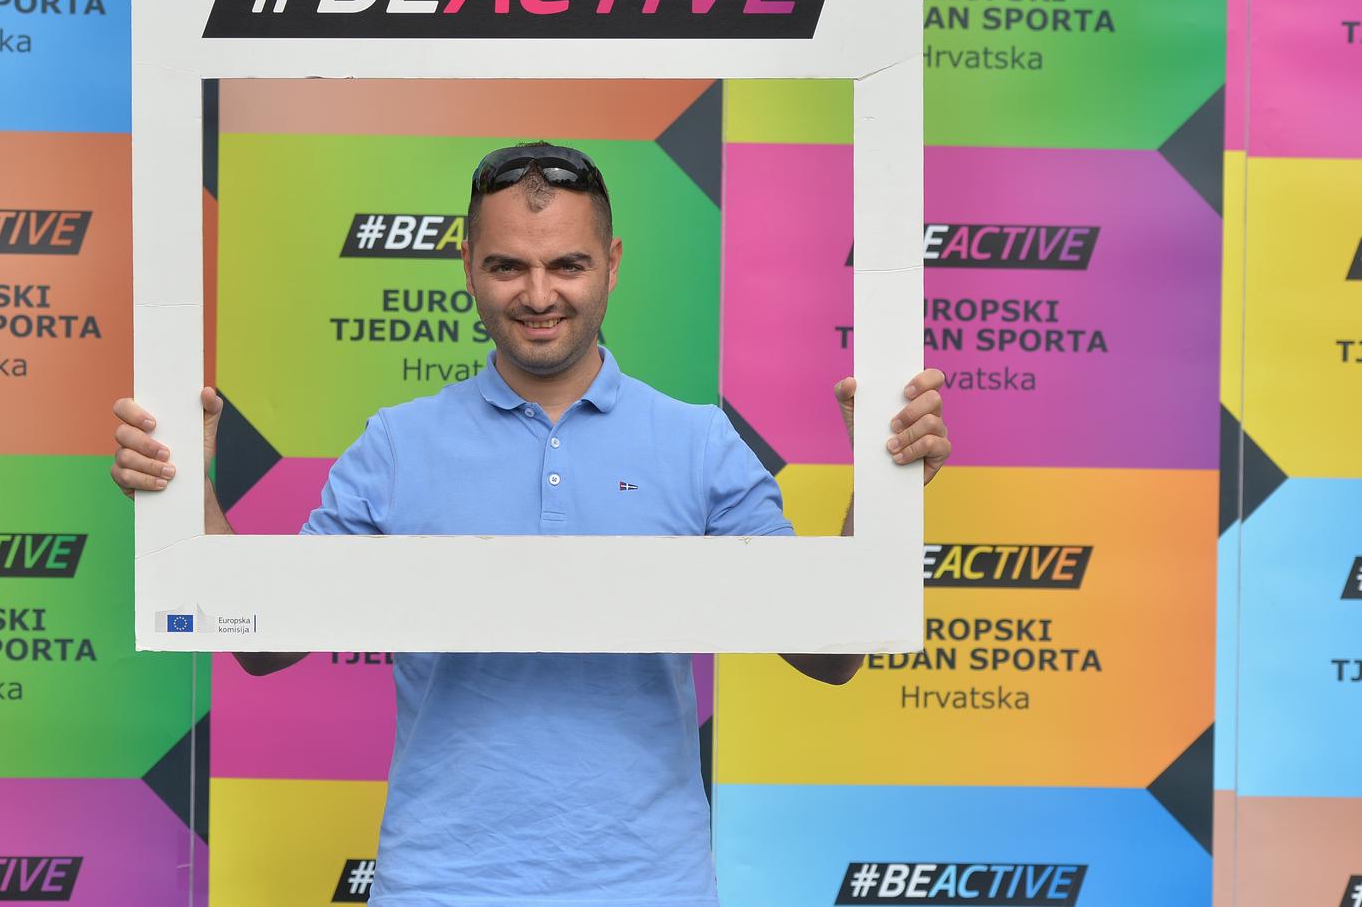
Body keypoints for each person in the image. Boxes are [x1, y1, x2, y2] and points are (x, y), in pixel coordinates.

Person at [111, 142, 950, 906]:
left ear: (611, 264)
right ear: (467, 265)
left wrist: (880, 490)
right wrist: (187, 492)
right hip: (439, 884)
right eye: (508, 266)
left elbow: (829, 655)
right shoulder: (397, 444)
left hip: (648, 885)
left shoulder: (697, 443)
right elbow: (266, 646)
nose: (539, 295)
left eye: (568, 265)